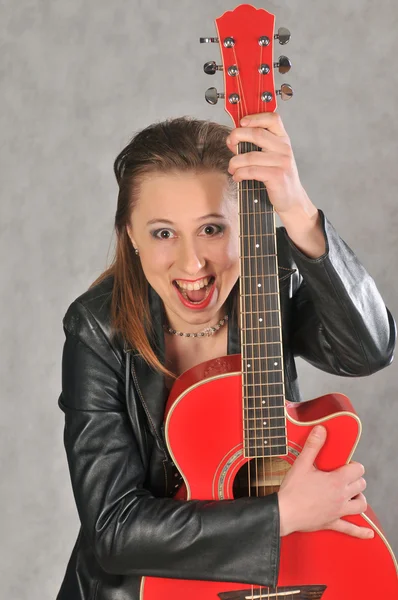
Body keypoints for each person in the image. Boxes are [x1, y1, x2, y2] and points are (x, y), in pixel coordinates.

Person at [56, 113, 395, 600]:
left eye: (212, 229)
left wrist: (298, 210)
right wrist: (283, 514)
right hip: (140, 589)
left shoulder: (268, 279)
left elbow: (368, 350)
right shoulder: (95, 328)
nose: (192, 264)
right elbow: (114, 531)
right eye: (163, 233)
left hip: (289, 576)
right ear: (130, 235)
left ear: (248, 227)